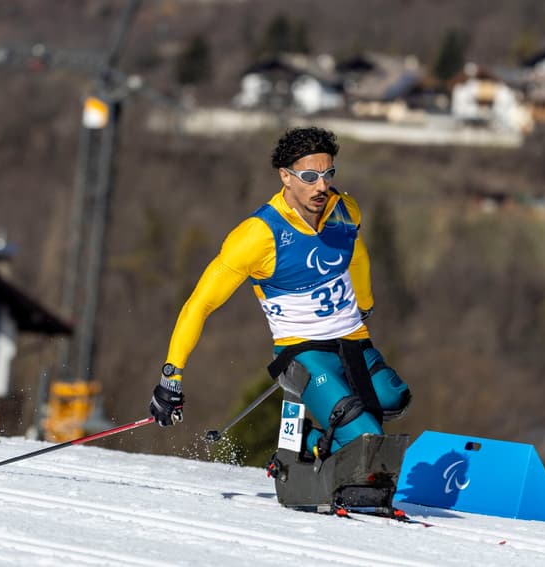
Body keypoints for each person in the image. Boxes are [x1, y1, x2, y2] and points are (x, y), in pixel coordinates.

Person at [148, 126, 410, 461]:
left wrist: (365, 304)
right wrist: (172, 375)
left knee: (394, 397)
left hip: (352, 339)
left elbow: (356, 255)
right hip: (303, 351)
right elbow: (201, 303)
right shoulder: (257, 235)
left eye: (328, 173)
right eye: (310, 176)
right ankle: (298, 441)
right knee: (365, 440)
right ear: (285, 176)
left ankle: (339, 442)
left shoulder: (345, 210)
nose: (322, 186)